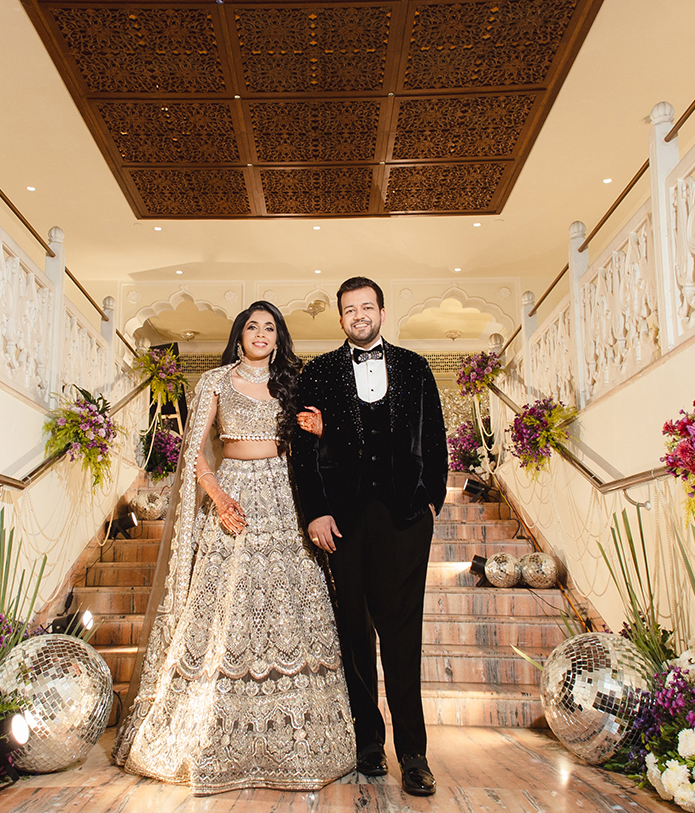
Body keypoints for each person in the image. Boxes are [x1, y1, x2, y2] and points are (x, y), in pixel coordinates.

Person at [112, 301, 355, 795]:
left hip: (285, 495)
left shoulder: (293, 382)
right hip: (235, 493)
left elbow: (312, 445)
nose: (261, 333)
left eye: (270, 328)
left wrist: (321, 431)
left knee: (288, 610)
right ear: (239, 335)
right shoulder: (216, 381)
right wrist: (220, 498)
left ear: (279, 337)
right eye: (252, 326)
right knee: (225, 613)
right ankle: (214, 733)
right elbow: (193, 451)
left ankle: (299, 736)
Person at [291, 277, 448, 797]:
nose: (359, 315)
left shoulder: (415, 367)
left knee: (403, 637)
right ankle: (368, 742)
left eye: (366, 306)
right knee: (355, 635)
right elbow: (303, 449)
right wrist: (316, 512)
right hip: (344, 521)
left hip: (405, 520)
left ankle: (414, 754)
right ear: (340, 318)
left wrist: (431, 500)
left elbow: (435, 438)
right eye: (349, 309)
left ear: (381, 311)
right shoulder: (318, 372)